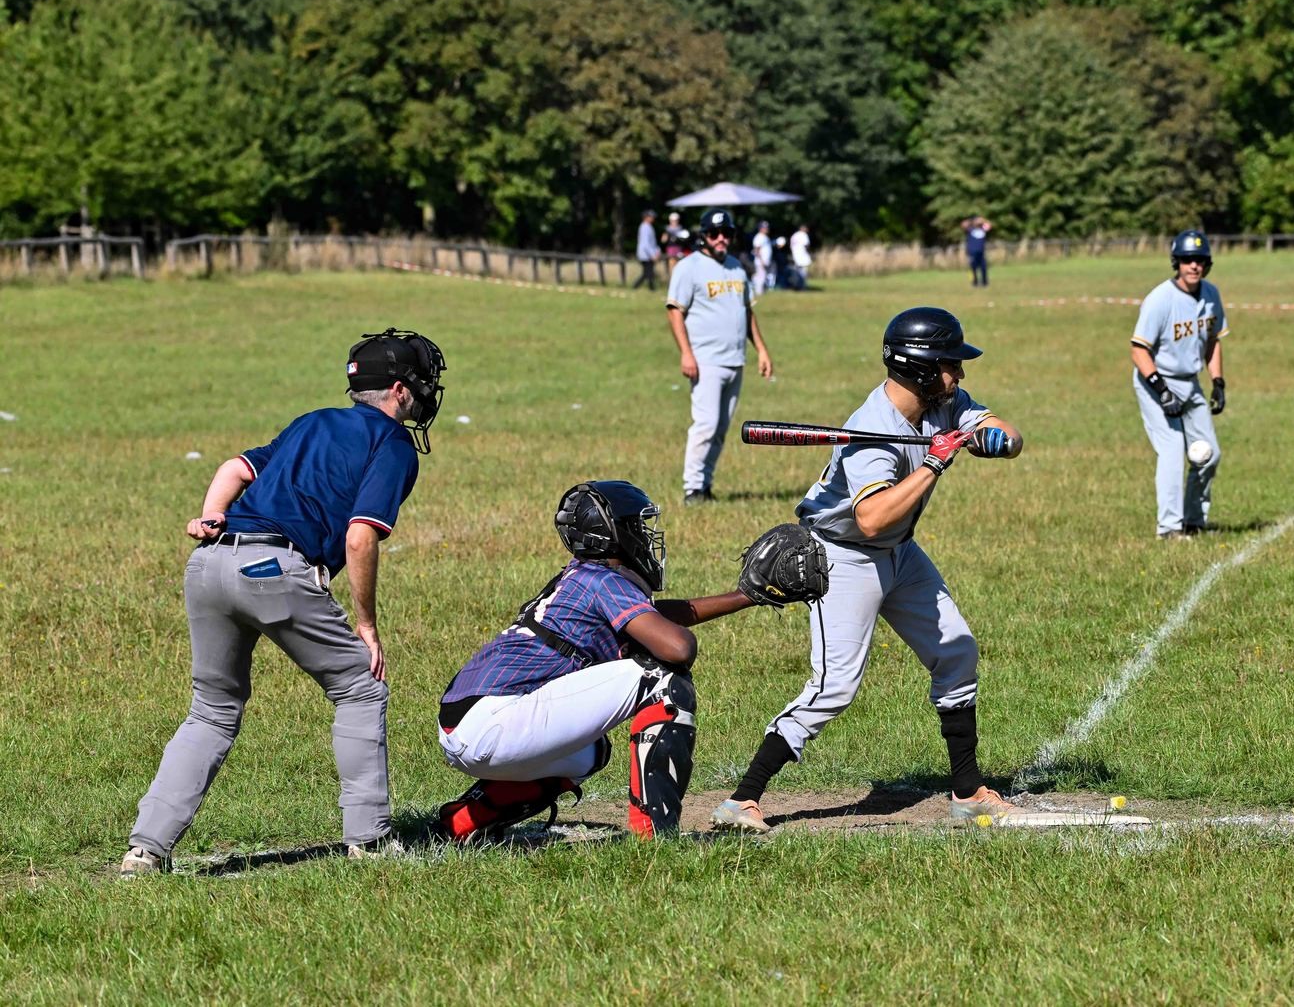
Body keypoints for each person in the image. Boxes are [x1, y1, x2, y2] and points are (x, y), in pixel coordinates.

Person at [120, 328, 448, 874]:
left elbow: (234, 468)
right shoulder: (390, 444)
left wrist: (210, 515)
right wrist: (366, 625)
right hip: (272, 568)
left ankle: (145, 850)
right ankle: (369, 842)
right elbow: (360, 536)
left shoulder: (312, 421)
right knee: (360, 689)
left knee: (212, 710)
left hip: (207, 564)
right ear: (398, 390)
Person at [712, 307, 1025, 832]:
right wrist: (935, 463)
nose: (961, 374)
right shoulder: (871, 431)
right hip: (844, 557)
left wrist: (994, 439)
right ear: (922, 369)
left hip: (900, 554)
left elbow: (1005, 433)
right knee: (834, 687)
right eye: (952, 364)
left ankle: (968, 792)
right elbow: (872, 518)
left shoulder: (943, 403)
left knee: (957, 650)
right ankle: (741, 799)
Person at [432, 481, 770, 841]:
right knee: (663, 677)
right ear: (610, 533)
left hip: (468, 725)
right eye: (636, 526)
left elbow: (652, 615)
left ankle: (461, 821)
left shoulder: (584, 575)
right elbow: (677, 647)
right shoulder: (604, 580)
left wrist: (745, 597)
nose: (643, 535)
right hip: (496, 721)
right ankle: (653, 836)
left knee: (588, 753)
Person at [666, 207, 773, 504]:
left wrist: (762, 350)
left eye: (727, 233)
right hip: (705, 360)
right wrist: (686, 354)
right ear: (704, 236)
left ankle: (706, 485)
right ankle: (692, 488)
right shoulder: (688, 268)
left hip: (735, 359)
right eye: (714, 233)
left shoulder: (737, 268)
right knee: (706, 424)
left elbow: (747, 312)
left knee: (721, 428)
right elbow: (675, 311)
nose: (721, 238)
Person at [1131, 231, 1227, 540]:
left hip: (1190, 382)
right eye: (1187, 260)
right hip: (1155, 381)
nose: (1193, 266)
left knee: (1209, 454)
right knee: (1172, 451)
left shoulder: (1211, 295)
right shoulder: (1160, 299)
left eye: (1199, 260)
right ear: (1177, 262)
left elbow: (1212, 342)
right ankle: (1169, 529)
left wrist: (1218, 381)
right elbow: (1139, 350)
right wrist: (1162, 391)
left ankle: (1194, 521)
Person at [632, 209, 661, 291]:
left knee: (647, 273)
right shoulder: (645, 227)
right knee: (648, 272)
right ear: (646, 217)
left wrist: (657, 251)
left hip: (647, 254)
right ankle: (650, 288)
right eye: (651, 217)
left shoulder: (648, 227)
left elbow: (652, 242)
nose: (653, 218)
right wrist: (652, 255)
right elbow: (645, 243)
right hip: (645, 254)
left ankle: (637, 287)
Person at [962, 215, 992, 287]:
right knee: (973, 268)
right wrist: (972, 220)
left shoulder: (983, 229)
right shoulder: (971, 229)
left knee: (983, 267)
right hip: (972, 252)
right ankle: (975, 282)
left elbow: (989, 225)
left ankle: (984, 282)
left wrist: (983, 220)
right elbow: (963, 224)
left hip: (981, 252)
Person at [751, 220, 774, 296]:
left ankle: (761, 292)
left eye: (767, 227)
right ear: (760, 228)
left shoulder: (765, 237)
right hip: (760, 261)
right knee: (760, 277)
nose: (766, 229)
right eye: (764, 227)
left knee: (763, 277)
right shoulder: (759, 237)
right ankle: (758, 293)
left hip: (765, 261)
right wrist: (761, 261)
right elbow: (757, 250)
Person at [789, 223, 812, 289]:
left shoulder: (794, 235)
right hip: (802, 256)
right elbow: (806, 245)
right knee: (803, 273)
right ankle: (802, 287)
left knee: (796, 272)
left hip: (795, 256)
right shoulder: (804, 235)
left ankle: (795, 285)